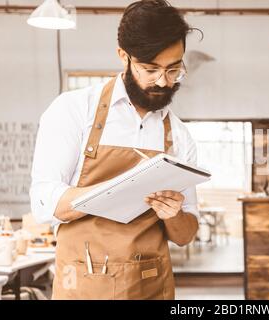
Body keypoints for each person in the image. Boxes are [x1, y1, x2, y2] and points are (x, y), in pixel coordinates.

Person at [30, 0, 201, 300]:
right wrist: (117, 190)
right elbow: (45, 202)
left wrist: (173, 214)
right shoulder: (73, 111)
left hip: (151, 286)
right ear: (123, 56)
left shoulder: (179, 136)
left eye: (174, 69)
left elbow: (185, 235)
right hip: (84, 283)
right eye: (150, 69)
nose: (163, 81)